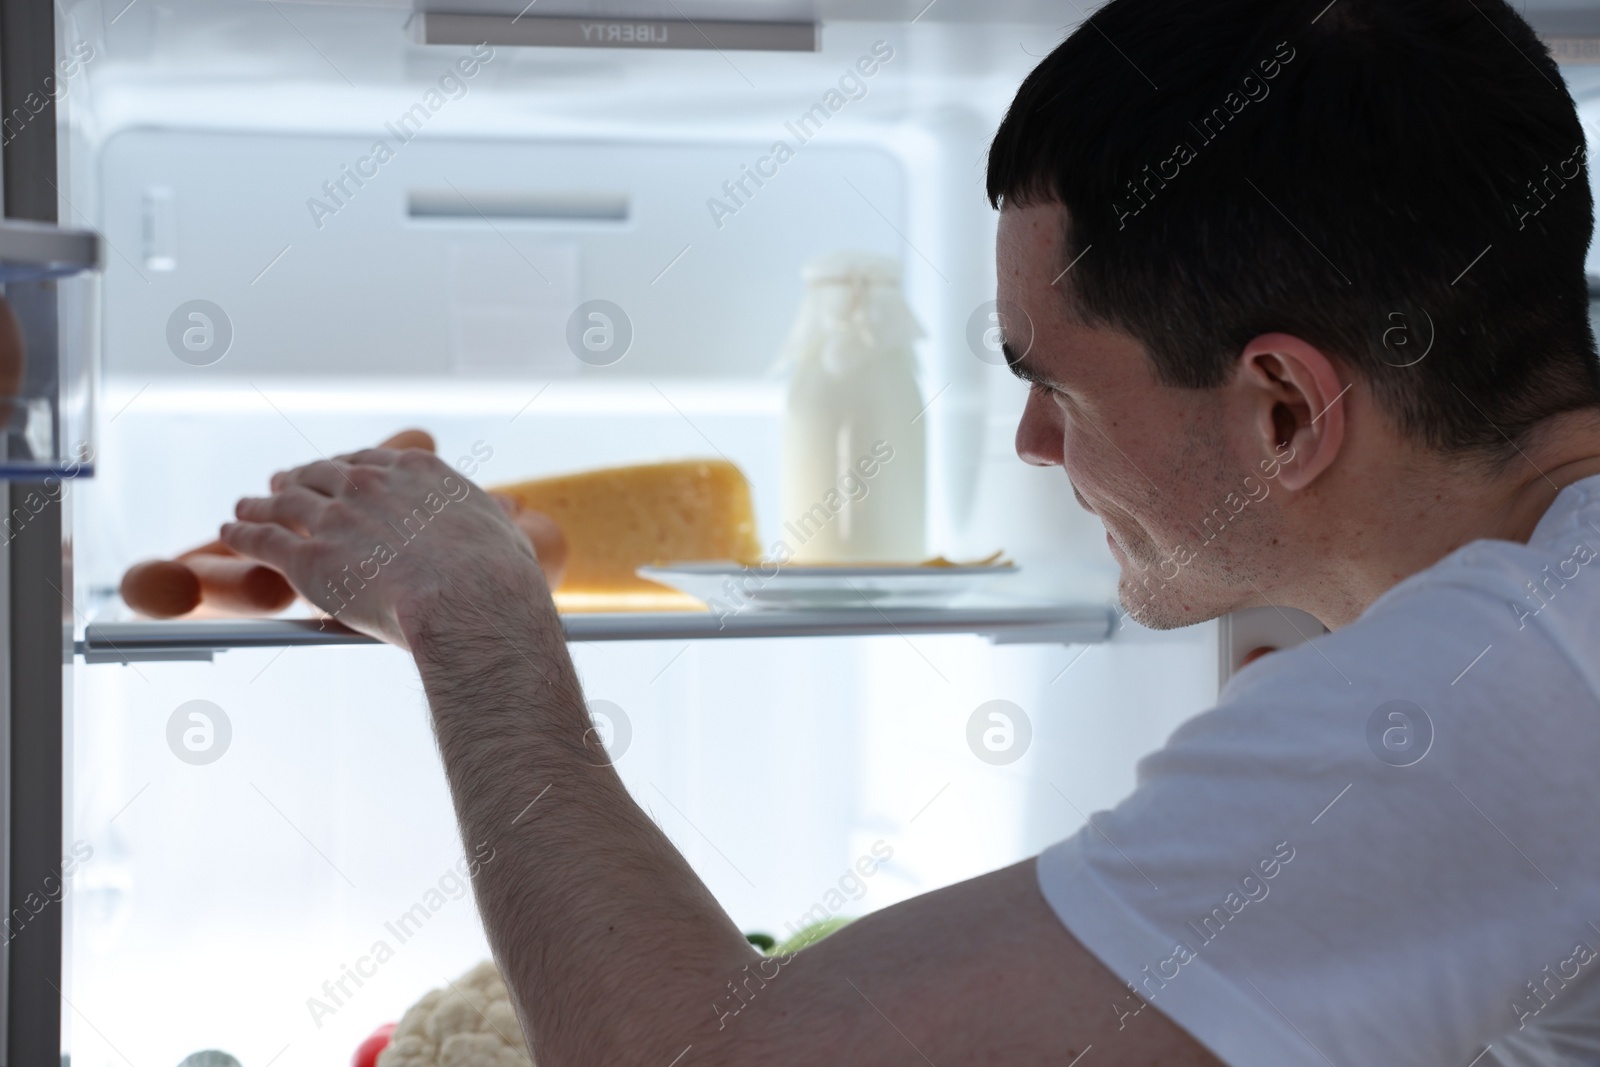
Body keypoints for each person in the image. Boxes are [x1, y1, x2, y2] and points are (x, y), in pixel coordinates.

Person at [221, 0, 1600, 1062]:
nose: (1035, 445)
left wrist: (473, 614)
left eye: (1051, 381)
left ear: (1287, 411)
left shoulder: (1477, 699)